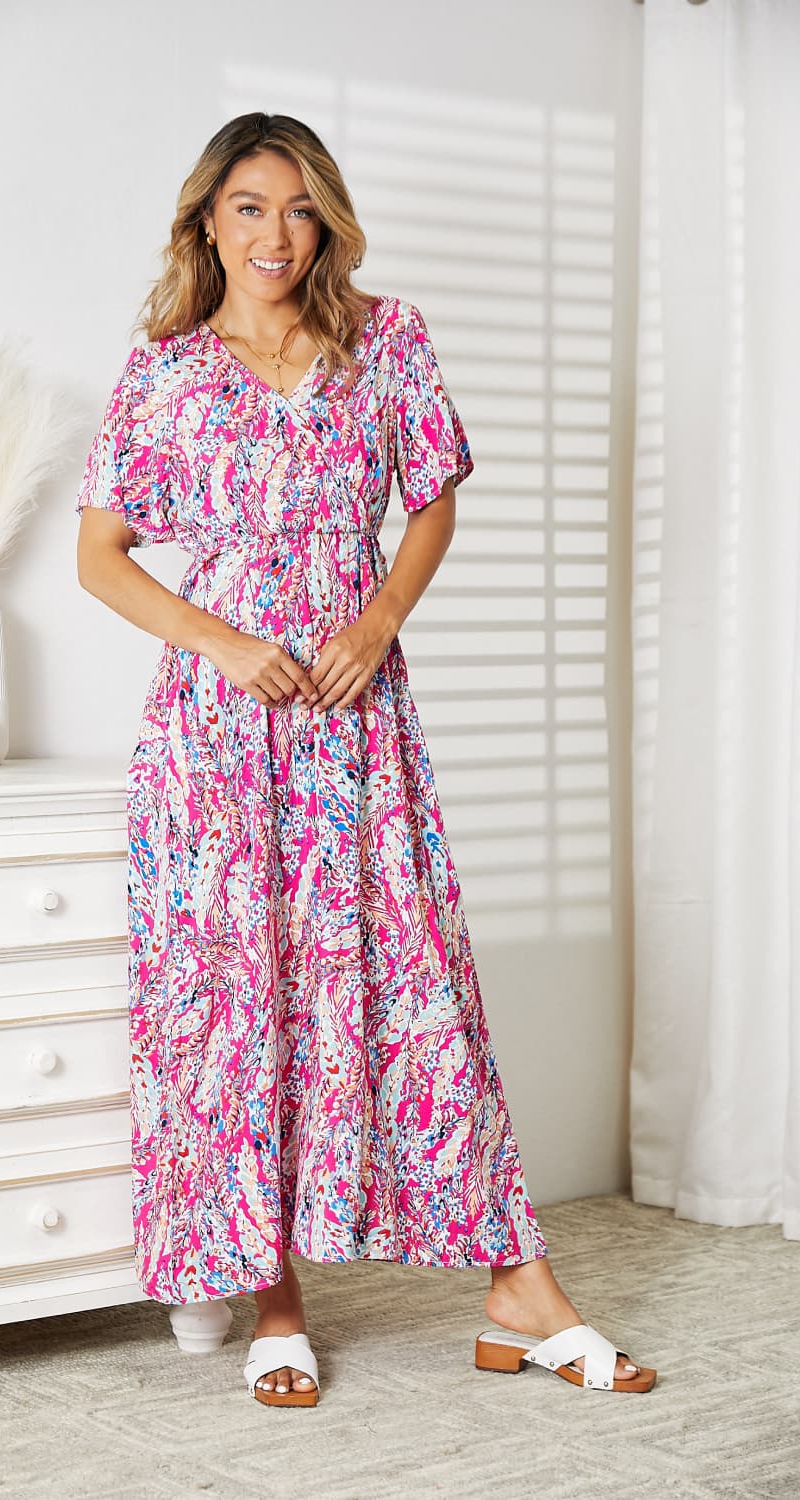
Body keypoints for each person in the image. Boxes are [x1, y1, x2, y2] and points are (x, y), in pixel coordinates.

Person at [75, 111, 656, 1405]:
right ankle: (277, 1298)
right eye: (245, 208)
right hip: (215, 742)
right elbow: (98, 554)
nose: (273, 234)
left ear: (323, 219)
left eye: (295, 208)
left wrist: (381, 614)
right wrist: (221, 641)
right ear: (205, 222)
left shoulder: (383, 339)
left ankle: (519, 1288)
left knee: (414, 989)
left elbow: (431, 490)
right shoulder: (166, 369)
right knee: (241, 1011)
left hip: (354, 718)